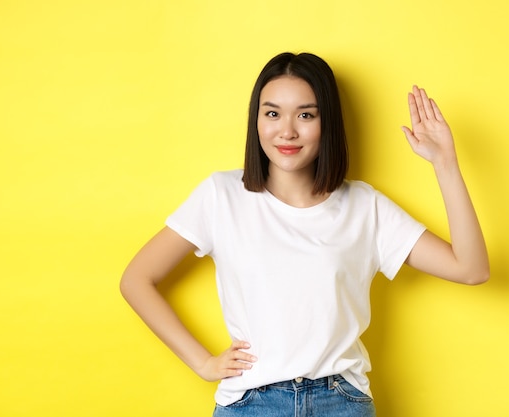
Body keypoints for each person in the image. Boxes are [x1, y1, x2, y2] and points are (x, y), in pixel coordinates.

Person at [120, 52, 489, 417]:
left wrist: (445, 163)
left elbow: (471, 269)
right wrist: (203, 363)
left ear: (326, 122)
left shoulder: (364, 206)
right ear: (257, 120)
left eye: (306, 114)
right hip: (252, 403)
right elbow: (136, 279)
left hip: (341, 401)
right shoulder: (222, 195)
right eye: (273, 113)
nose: (287, 130)